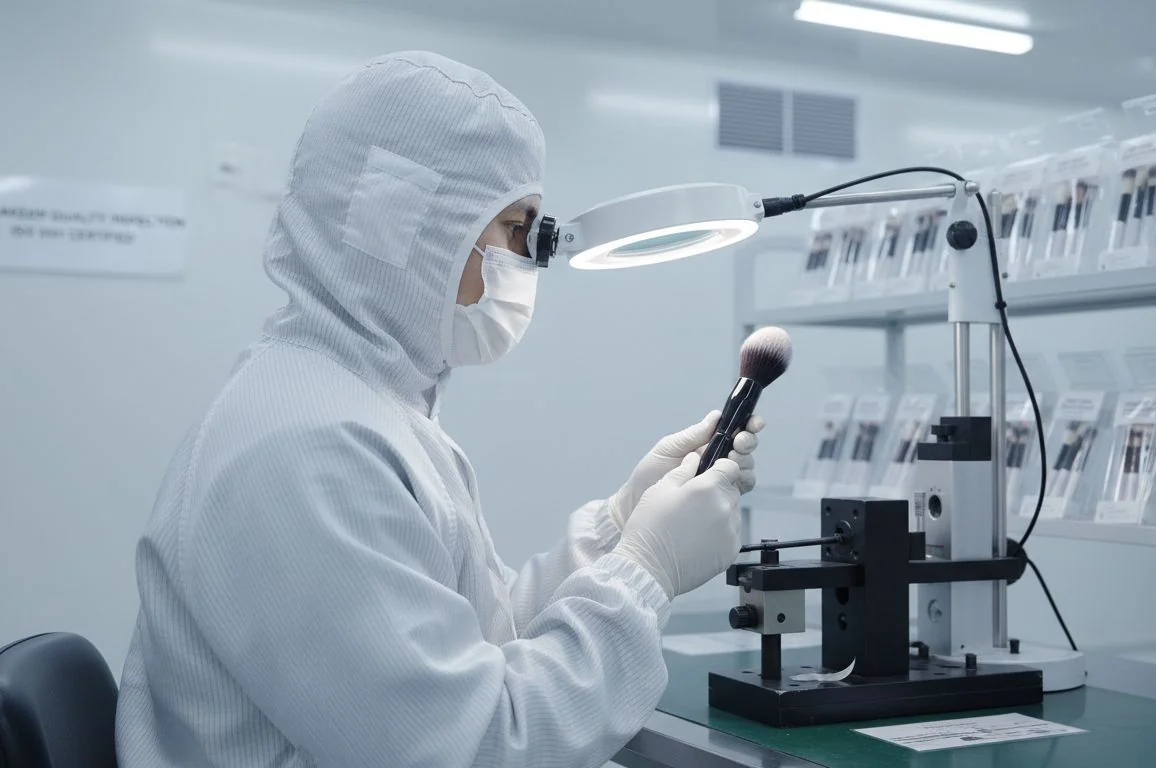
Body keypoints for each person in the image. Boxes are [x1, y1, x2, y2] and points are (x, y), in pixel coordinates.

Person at [115, 51, 764, 768]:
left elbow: (475, 643)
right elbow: (472, 745)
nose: (527, 261)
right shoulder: (309, 448)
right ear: (407, 224)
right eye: (515, 230)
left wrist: (621, 525)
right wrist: (646, 569)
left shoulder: (364, 406)